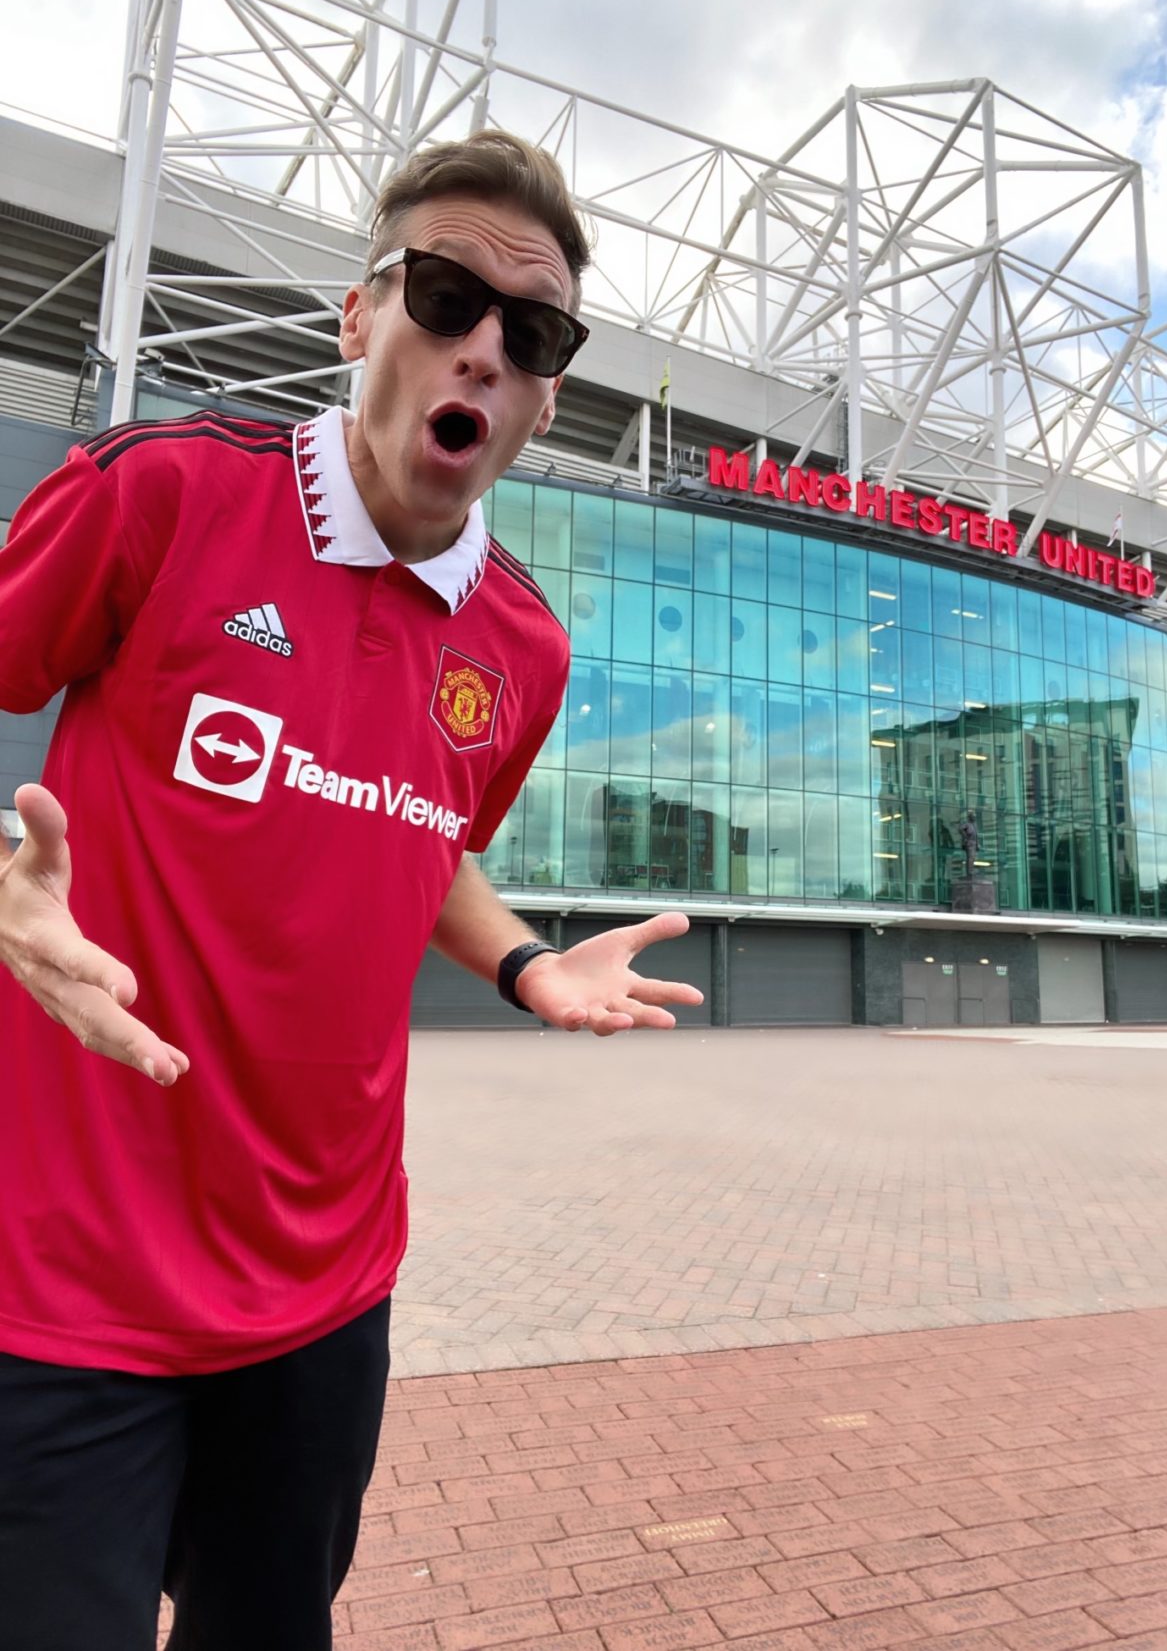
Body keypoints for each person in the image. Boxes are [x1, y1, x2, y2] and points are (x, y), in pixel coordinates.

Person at [0, 130, 702, 1651]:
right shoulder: (163, 494)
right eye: (446, 293)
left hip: (323, 1295)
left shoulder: (524, 650)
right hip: (62, 1285)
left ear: (550, 388)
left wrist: (527, 968)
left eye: (535, 333)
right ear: (360, 316)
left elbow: (420, 832)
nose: (484, 347)